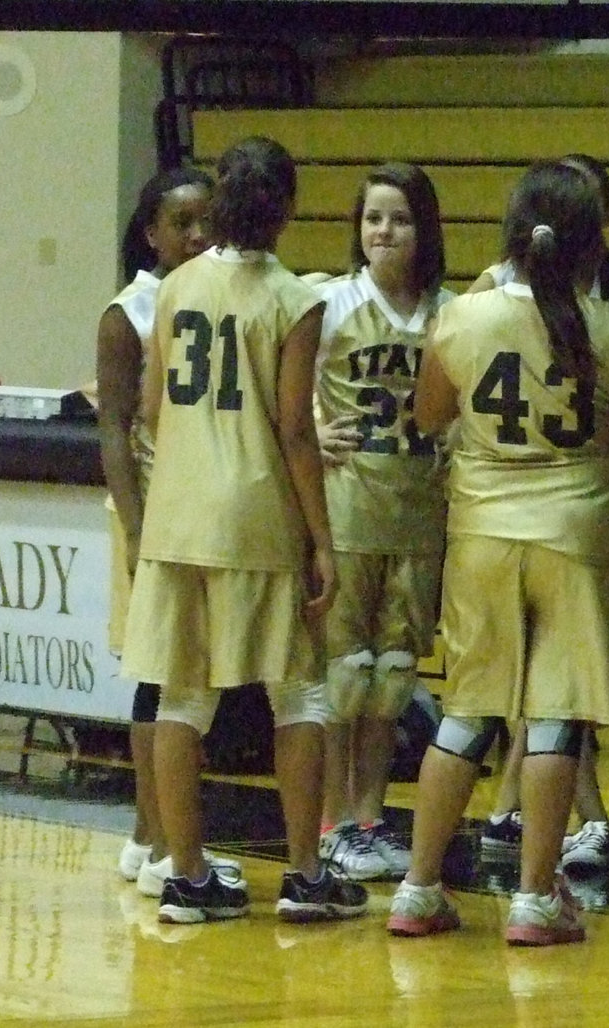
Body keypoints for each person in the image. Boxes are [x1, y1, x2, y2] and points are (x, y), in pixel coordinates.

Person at [386, 161, 609, 945]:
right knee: (555, 715)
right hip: (579, 531)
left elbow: (429, 414)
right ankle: (536, 898)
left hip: (483, 533)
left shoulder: (463, 317)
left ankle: (417, 887)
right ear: (590, 243)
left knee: (467, 709)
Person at [120, 136, 367, 925]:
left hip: (176, 514)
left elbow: (152, 408)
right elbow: (297, 431)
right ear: (288, 208)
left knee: (181, 701)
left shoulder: (176, 285)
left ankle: (185, 877)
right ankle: (303, 876)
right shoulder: (294, 298)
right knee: (297, 692)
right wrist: (324, 539)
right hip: (255, 515)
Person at [472, 153, 609, 873]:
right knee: (548, 692)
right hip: (573, 519)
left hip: (502, 519)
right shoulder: (502, 296)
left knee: (528, 695)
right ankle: (538, 823)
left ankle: (459, 852)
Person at [97, 166, 243, 898]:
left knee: (177, 671)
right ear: (150, 233)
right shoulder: (131, 310)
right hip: (153, 511)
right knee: (158, 674)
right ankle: (157, 838)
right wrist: (134, 523)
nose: (196, 234)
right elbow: (114, 431)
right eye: (181, 223)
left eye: (205, 221)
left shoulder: (217, 295)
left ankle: (147, 834)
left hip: (197, 510)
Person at [313, 163, 453, 882]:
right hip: (349, 509)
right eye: (372, 218)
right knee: (343, 675)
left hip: (420, 513)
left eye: (397, 219)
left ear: (423, 229)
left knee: (393, 677)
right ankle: (334, 818)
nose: (383, 231)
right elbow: (287, 385)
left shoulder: (448, 310)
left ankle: (368, 814)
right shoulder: (331, 303)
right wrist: (312, 428)